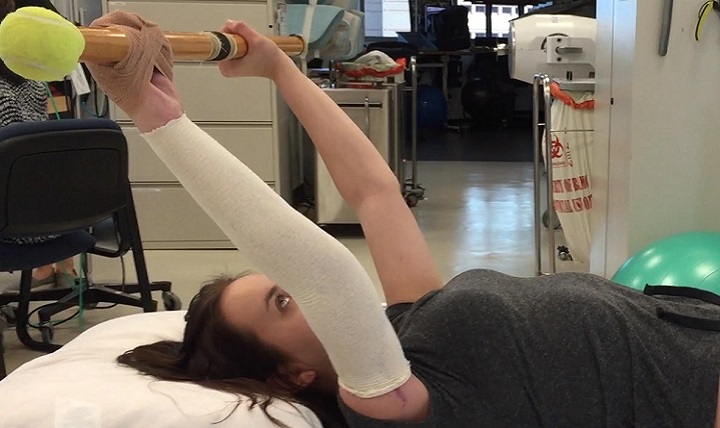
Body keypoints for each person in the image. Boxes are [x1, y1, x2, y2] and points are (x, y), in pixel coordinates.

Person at [86, 14, 720, 428]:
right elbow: (325, 272)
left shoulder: (409, 326)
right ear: (292, 375)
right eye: (283, 298)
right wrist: (155, 115)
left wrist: (282, 71)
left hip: (696, 330)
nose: (299, 287)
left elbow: (374, 192)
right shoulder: (388, 403)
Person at [0, 0, 76, 290]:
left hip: (13, 229)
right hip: (60, 221)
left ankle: (50, 269)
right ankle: (61, 267)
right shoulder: (33, 82)